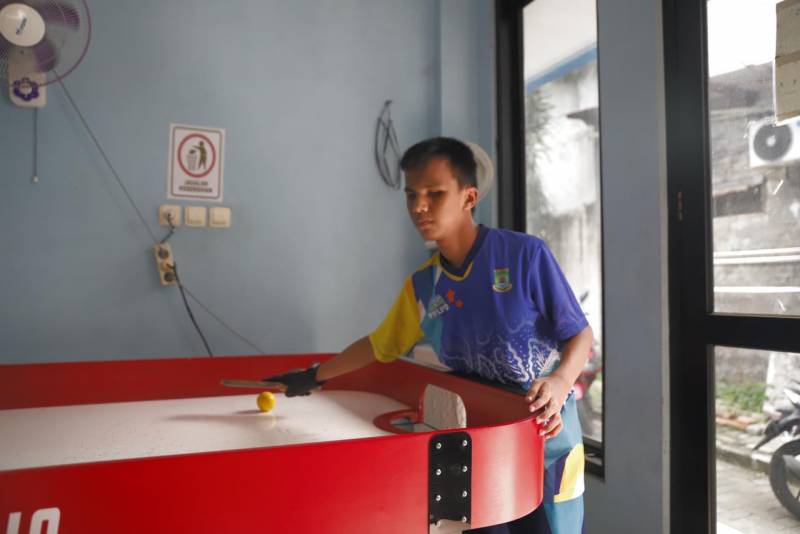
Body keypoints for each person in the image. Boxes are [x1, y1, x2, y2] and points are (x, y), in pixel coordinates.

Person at [265, 137, 593, 533]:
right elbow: (378, 345)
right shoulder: (425, 286)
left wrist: (560, 382)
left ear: (469, 197)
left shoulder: (525, 256)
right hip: (479, 440)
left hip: (545, 433)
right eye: (411, 195)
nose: (419, 207)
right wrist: (314, 376)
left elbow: (579, 334)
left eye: (435, 194)